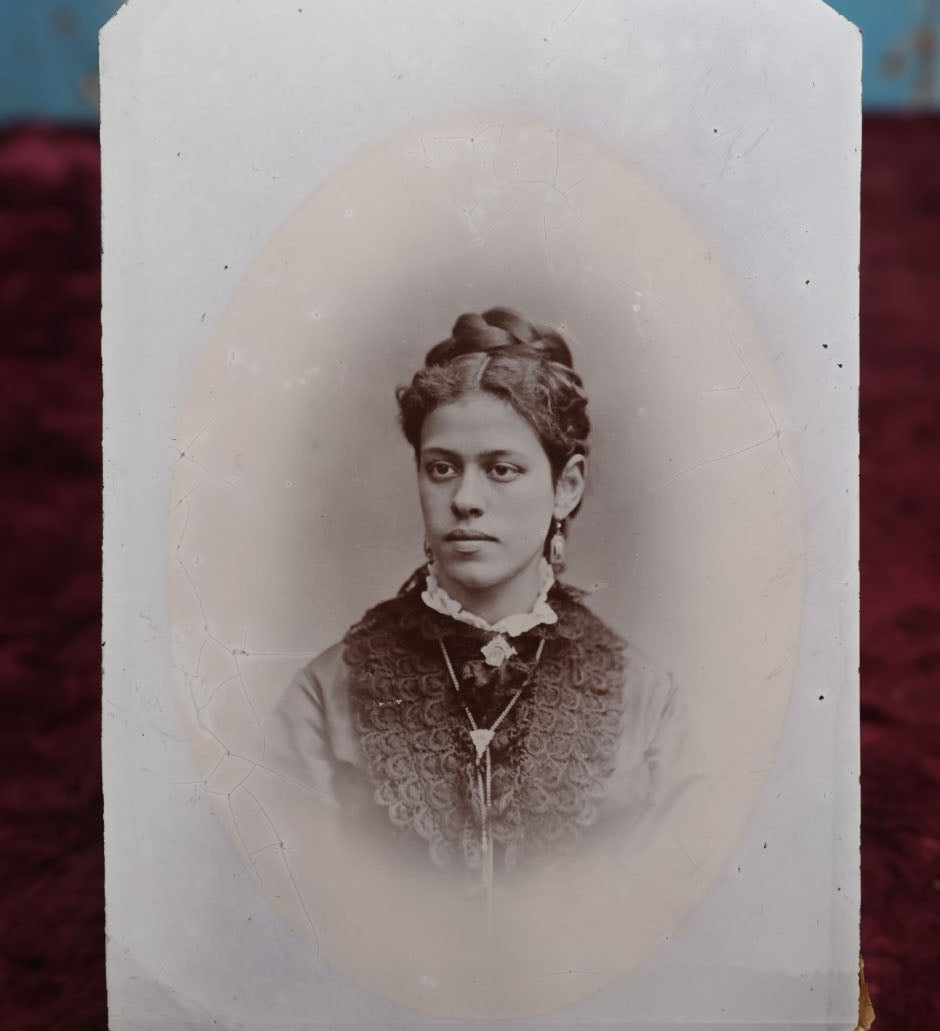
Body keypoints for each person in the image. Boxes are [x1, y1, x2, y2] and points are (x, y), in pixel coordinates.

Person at [274, 307, 687, 883]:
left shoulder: (646, 700)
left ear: (565, 487)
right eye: (442, 468)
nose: (465, 498)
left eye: (501, 469)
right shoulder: (324, 697)